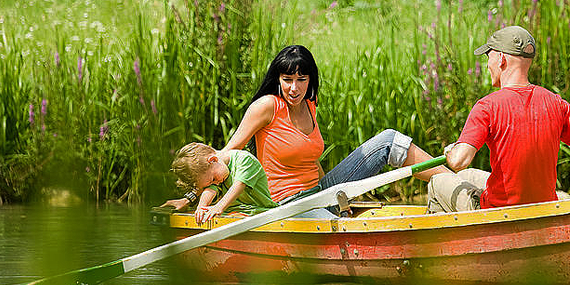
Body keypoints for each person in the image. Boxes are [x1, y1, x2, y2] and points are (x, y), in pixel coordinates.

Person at [162, 45, 449, 216]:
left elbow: (312, 161)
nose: (294, 87)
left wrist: (340, 198)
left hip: (320, 191)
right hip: (287, 203)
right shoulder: (267, 106)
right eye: (287, 79)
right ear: (278, 79)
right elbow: (225, 155)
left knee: (388, 140)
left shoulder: (309, 105)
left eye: (301, 79)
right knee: (387, 142)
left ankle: (458, 185)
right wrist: (190, 199)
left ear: (310, 79)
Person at [426, 25, 570, 213]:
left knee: (436, 182)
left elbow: (458, 161)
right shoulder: (556, 103)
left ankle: (448, 241)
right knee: (466, 175)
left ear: (501, 59)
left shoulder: (487, 107)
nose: (487, 65)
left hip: (500, 212)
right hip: (544, 207)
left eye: (489, 57)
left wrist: (451, 151)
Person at [170, 142, 276, 224]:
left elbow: (239, 186)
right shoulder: (216, 172)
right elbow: (210, 190)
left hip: (260, 211)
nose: (216, 182)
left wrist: (219, 206)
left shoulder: (245, 160)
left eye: (213, 179)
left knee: (230, 215)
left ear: (213, 160)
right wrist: (201, 207)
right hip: (233, 212)